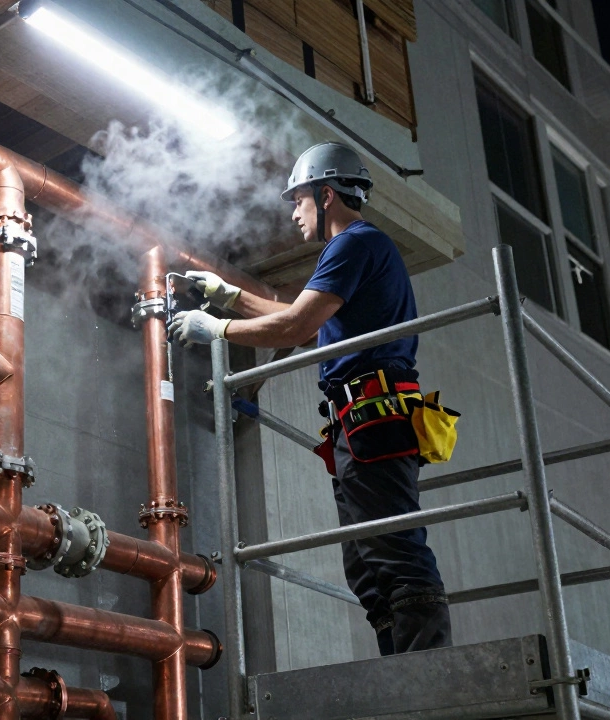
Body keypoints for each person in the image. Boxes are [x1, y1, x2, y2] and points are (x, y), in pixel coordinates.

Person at [169, 142, 451, 656]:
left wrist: (218, 329)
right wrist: (227, 295)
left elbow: (295, 324)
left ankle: (427, 677)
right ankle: (401, 671)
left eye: (298, 201)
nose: (294, 214)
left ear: (326, 195)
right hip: (361, 421)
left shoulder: (353, 244)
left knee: (394, 552)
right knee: (367, 565)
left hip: (374, 416)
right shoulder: (360, 249)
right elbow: (303, 322)